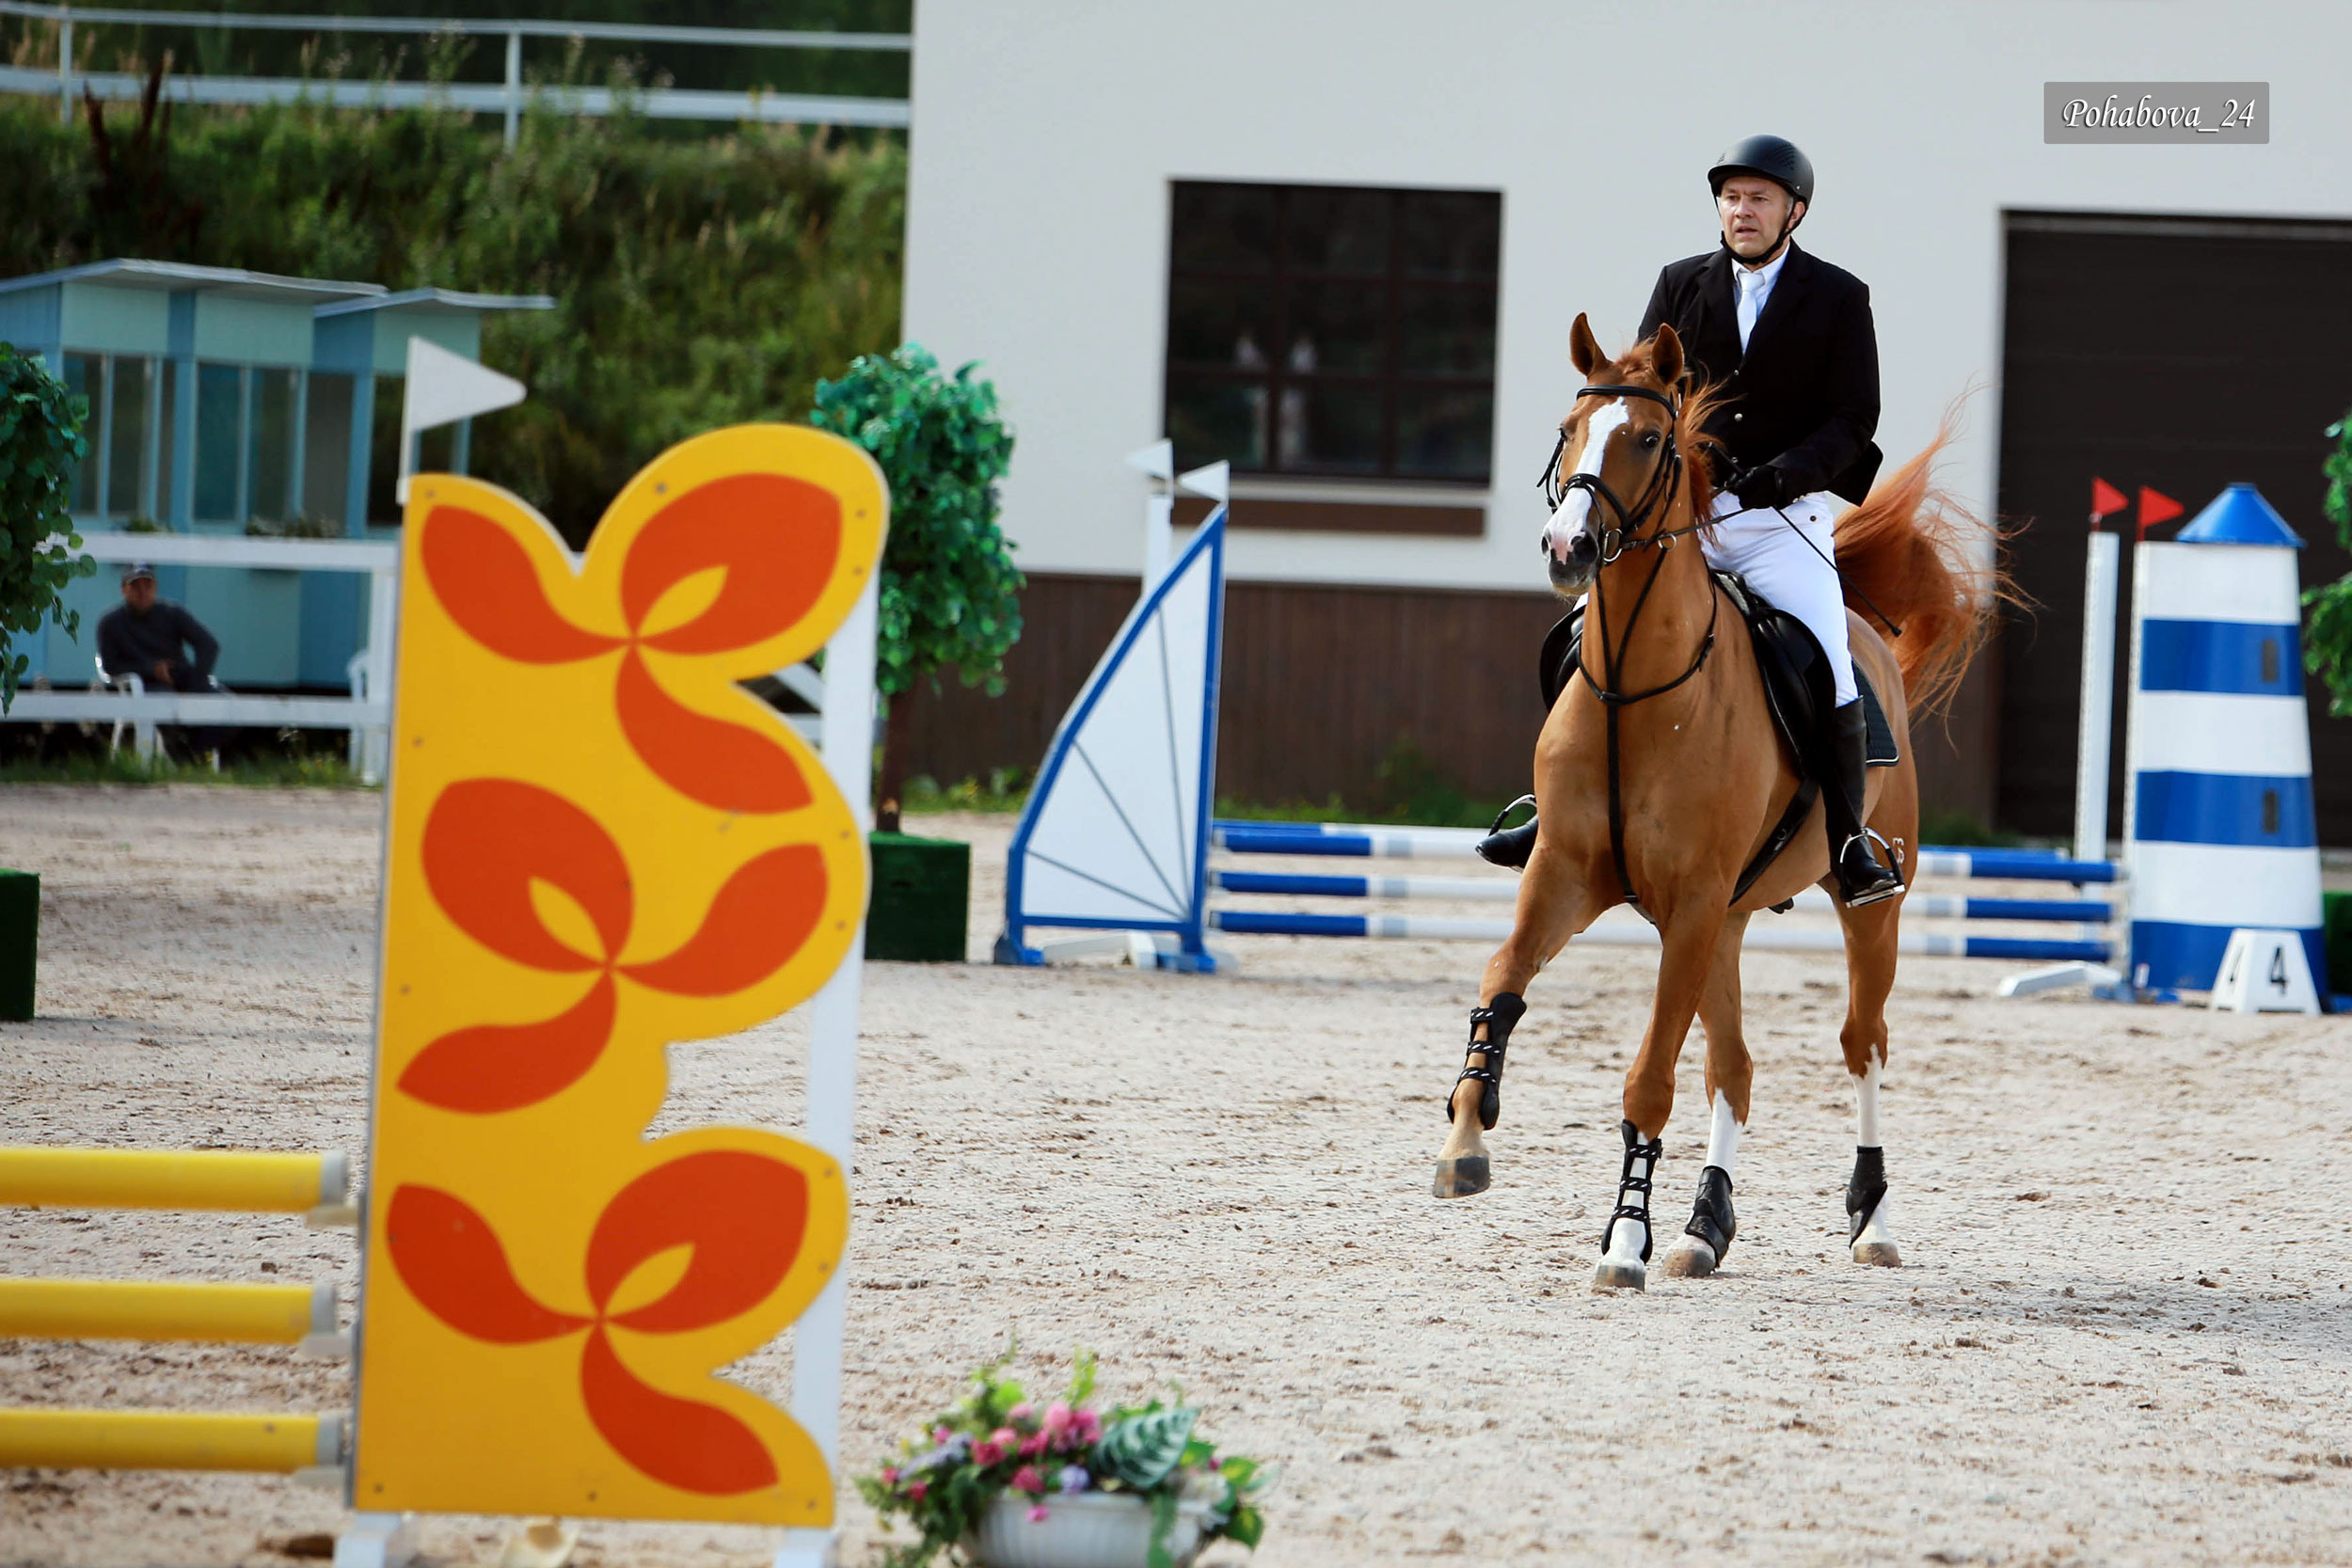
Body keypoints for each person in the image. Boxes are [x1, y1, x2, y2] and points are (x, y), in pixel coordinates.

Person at [1483, 134, 1902, 907]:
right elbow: (1640, 385)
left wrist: (1786, 474)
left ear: (1794, 212)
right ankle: (1550, 807)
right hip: (1684, 517)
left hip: (1783, 520)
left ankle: (1848, 842)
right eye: (1733, 197)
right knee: (1584, 632)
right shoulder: (1681, 284)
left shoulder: (1841, 297)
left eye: (1760, 199)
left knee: (1833, 660)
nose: (1743, 211)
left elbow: (1853, 418)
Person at [97, 561, 223, 717]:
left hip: (182, 680)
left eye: (148, 585)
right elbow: (110, 666)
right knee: (164, 703)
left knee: (224, 703)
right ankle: (174, 740)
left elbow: (208, 644)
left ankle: (198, 741)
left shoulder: (172, 613)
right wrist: (152, 670)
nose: (142, 592)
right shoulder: (110, 623)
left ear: (155, 587)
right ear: (124, 590)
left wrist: (197, 686)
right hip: (143, 685)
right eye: (136, 586)